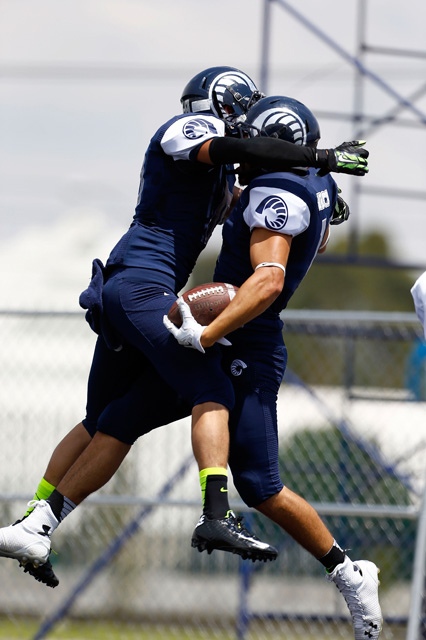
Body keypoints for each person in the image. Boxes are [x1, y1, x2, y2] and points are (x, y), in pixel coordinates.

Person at [0, 67, 370, 590]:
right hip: (141, 288)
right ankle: (217, 514)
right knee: (210, 384)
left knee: (103, 420)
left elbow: (260, 200)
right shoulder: (183, 130)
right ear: (224, 103)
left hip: (139, 292)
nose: (250, 131)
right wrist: (322, 158)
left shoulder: (223, 179)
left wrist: (321, 194)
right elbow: (232, 152)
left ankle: (33, 524)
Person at [164, 95, 382, 640]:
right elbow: (320, 232)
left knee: (261, 484)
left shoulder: (277, 193)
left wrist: (209, 331)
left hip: (248, 339)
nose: (246, 150)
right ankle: (214, 512)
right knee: (144, 411)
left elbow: (268, 280)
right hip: (247, 336)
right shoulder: (311, 186)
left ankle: (348, 572)